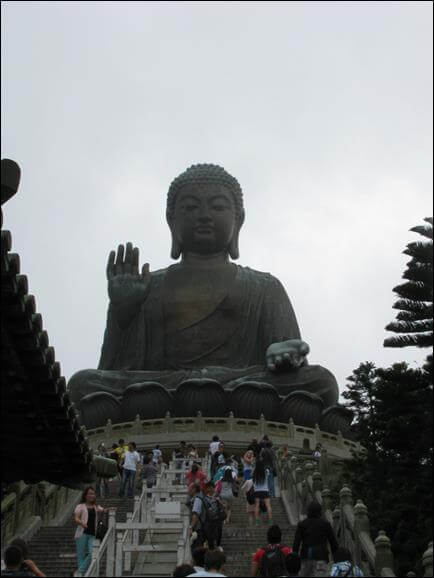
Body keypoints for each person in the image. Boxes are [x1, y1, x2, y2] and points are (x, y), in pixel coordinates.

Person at [73, 487, 116, 577]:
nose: (92, 495)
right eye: (90, 493)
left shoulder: (96, 507)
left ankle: (79, 572)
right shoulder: (80, 506)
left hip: (92, 534)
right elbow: (76, 518)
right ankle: (81, 575)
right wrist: (81, 523)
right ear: (85, 496)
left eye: (93, 494)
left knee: (93, 553)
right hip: (82, 534)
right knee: (80, 557)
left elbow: (103, 510)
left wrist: (110, 509)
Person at [292, 501, 338, 577]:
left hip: (306, 556)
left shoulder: (302, 524)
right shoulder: (325, 524)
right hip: (321, 557)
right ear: (320, 511)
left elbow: (296, 543)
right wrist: (336, 558)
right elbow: (333, 542)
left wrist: (295, 556)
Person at [190, 482, 225, 551]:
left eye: (210, 487)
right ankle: (213, 549)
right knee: (210, 539)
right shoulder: (204, 498)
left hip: (214, 521)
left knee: (215, 535)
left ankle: (215, 548)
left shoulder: (217, 496)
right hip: (209, 523)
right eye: (207, 488)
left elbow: (196, 513)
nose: (208, 489)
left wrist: (191, 526)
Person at [252, 460, 272, 525]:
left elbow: (251, 478)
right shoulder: (266, 471)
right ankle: (270, 521)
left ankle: (257, 522)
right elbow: (268, 476)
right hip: (265, 490)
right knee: (268, 506)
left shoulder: (254, 472)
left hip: (257, 491)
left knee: (257, 506)